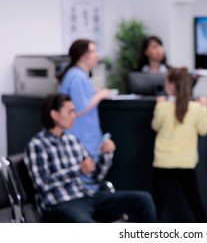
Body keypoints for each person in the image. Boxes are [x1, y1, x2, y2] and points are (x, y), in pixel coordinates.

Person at [24, 93, 157, 222]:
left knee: (143, 199)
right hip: (60, 203)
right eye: (70, 112)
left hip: (86, 196)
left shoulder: (73, 141)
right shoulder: (37, 145)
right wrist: (78, 170)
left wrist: (106, 155)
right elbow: (42, 185)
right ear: (54, 114)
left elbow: (96, 177)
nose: (74, 116)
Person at [151, 67, 207, 222]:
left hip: (163, 161)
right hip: (186, 161)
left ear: (171, 85)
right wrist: (205, 108)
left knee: (157, 204)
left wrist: (158, 105)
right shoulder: (196, 108)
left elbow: (155, 126)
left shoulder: (162, 106)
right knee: (195, 202)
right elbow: (203, 130)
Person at [58, 39, 115, 192]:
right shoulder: (76, 76)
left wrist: (95, 92)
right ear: (83, 55)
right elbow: (80, 107)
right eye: (93, 52)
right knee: (84, 180)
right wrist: (100, 95)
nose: (97, 55)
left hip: (86, 137)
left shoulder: (79, 75)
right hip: (80, 136)